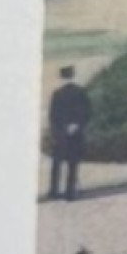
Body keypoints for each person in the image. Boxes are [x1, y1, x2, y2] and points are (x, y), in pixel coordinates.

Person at [47, 65, 91, 202]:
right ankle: (70, 191)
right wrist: (77, 125)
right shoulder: (80, 92)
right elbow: (86, 111)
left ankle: (54, 191)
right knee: (73, 163)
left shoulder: (57, 93)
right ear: (73, 75)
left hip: (60, 132)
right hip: (75, 132)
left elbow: (53, 115)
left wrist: (58, 129)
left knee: (57, 163)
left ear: (61, 76)